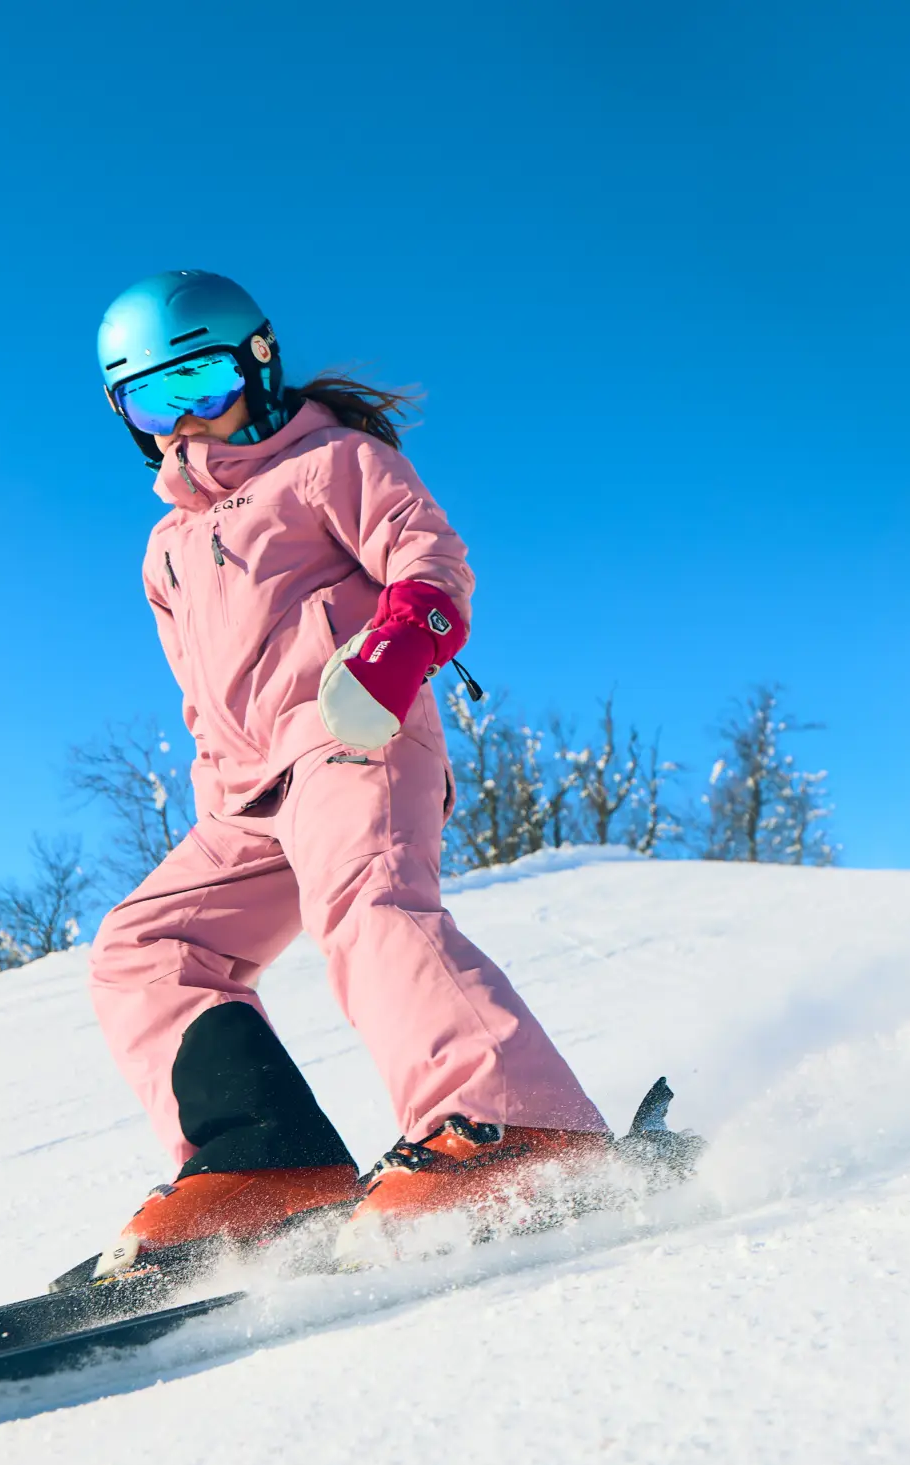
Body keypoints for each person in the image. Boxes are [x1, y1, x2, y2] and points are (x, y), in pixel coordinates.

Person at [80, 270, 611, 1279]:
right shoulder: (166, 550)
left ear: (260, 366)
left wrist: (388, 657)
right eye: (154, 402)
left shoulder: (332, 463)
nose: (189, 422)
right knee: (144, 946)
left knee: (363, 897)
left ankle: (515, 1124)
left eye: (203, 383)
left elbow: (433, 570)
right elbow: (204, 698)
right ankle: (260, 1162)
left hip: (351, 732)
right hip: (247, 795)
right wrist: (216, 812)